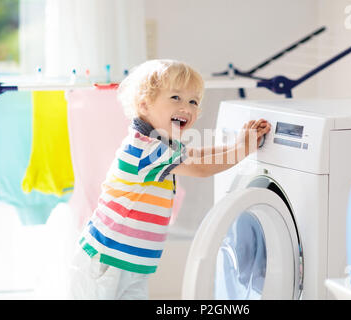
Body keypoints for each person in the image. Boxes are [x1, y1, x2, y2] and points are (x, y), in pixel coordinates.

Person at [67, 59, 271, 299]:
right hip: (107, 260)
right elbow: (200, 168)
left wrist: (237, 145)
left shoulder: (161, 144)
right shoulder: (146, 148)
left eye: (193, 101)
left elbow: (195, 155)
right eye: (176, 98)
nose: (187, 107)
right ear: (145, 104)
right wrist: (242, 149)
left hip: (131, 262)